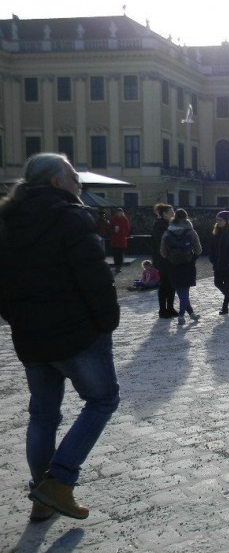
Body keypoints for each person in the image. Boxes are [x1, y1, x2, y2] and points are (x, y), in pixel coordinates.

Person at [0, 153, 120, 522]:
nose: (77, 183)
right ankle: (59, 481)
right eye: (72, 176)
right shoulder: (69, 217)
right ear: (55, 181)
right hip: (77, 333)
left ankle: (42, 497)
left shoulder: (6, 221)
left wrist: (17, 318)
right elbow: (95, 278)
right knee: (102, 400)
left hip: (31, 336)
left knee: (43, 416)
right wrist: (106, 323)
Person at [160, 208, 203, 325]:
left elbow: (163, 252)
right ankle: (181, 316)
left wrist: (170, 258)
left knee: (180, 292)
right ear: (186, 217)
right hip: (188, 265)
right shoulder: (191, 231)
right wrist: (192, 259)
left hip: (173, 265)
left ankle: (192, 314)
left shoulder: (167, 232)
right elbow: (199, 250)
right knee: (185, 292)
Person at [152, 203, 178, 318]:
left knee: (171, 284)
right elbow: (161, 243)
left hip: (171, 259)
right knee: (164, 285)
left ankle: (170, 308)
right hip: (162, 259)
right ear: (164, 214)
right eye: (171, 212)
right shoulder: (159, 225)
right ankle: (163, 310)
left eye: (173, 211)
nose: (173, 213)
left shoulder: (170, 224)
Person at [108, 207, 130, 274]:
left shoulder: (125, 219)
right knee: (116, 254)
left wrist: (125, 235)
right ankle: (117, 266)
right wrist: (113, 231)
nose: (119, 213)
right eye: (118, 212)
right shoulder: (113, 220)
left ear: (122, 213)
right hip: (115, 240)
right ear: (116, 213)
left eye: (120, 212)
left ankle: (119, 267)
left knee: (120, 254)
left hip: (122, 240)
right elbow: (109, 228)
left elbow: (128, 229)